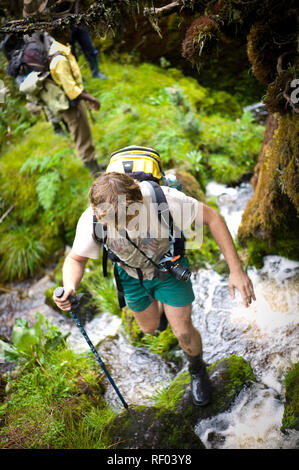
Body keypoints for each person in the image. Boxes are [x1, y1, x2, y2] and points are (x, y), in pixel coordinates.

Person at [53, 156, 256, 407]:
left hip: (169, 268)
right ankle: (163, 312)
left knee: (182, 330)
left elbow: (212, 218)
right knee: (150, 329)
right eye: (113, 222)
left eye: (127, 218)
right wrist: (70, 286)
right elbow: (75, 259)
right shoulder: (92, 220)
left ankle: (196, 368)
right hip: (130, 275)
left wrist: (236, 271)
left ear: (138, 197)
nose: (121, 227)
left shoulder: (165, 200)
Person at [49, 27, 101, 175]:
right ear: (59, 33)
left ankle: (94, 163)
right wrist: (92, 99)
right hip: (71, 105)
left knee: (85, 132)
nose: (69, 32)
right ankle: (94, 171)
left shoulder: (64, 48)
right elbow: (72, 91)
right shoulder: (59, 59)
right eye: (66, 30)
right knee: (81, 136)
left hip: (76, 101)